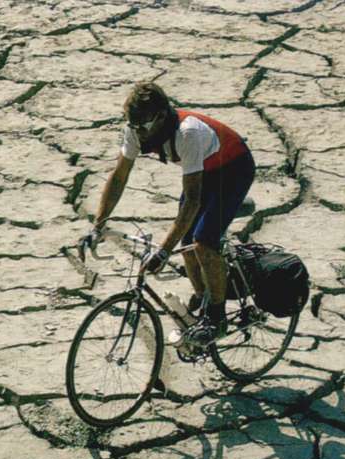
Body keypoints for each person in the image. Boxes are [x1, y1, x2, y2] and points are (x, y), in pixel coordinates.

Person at [90, 81, 255, 344]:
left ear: (162, 116)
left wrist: (164, 250)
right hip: (203, 170)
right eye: (134, 126)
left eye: (144, 127)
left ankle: (217, 317)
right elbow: (120, 177)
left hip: (233, 168)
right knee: (187, 244)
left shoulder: (187, 133)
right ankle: (202, 298)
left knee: (202, 242)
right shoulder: (136, 129)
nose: (139, 134)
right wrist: (98, 223)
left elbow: (191, 201)